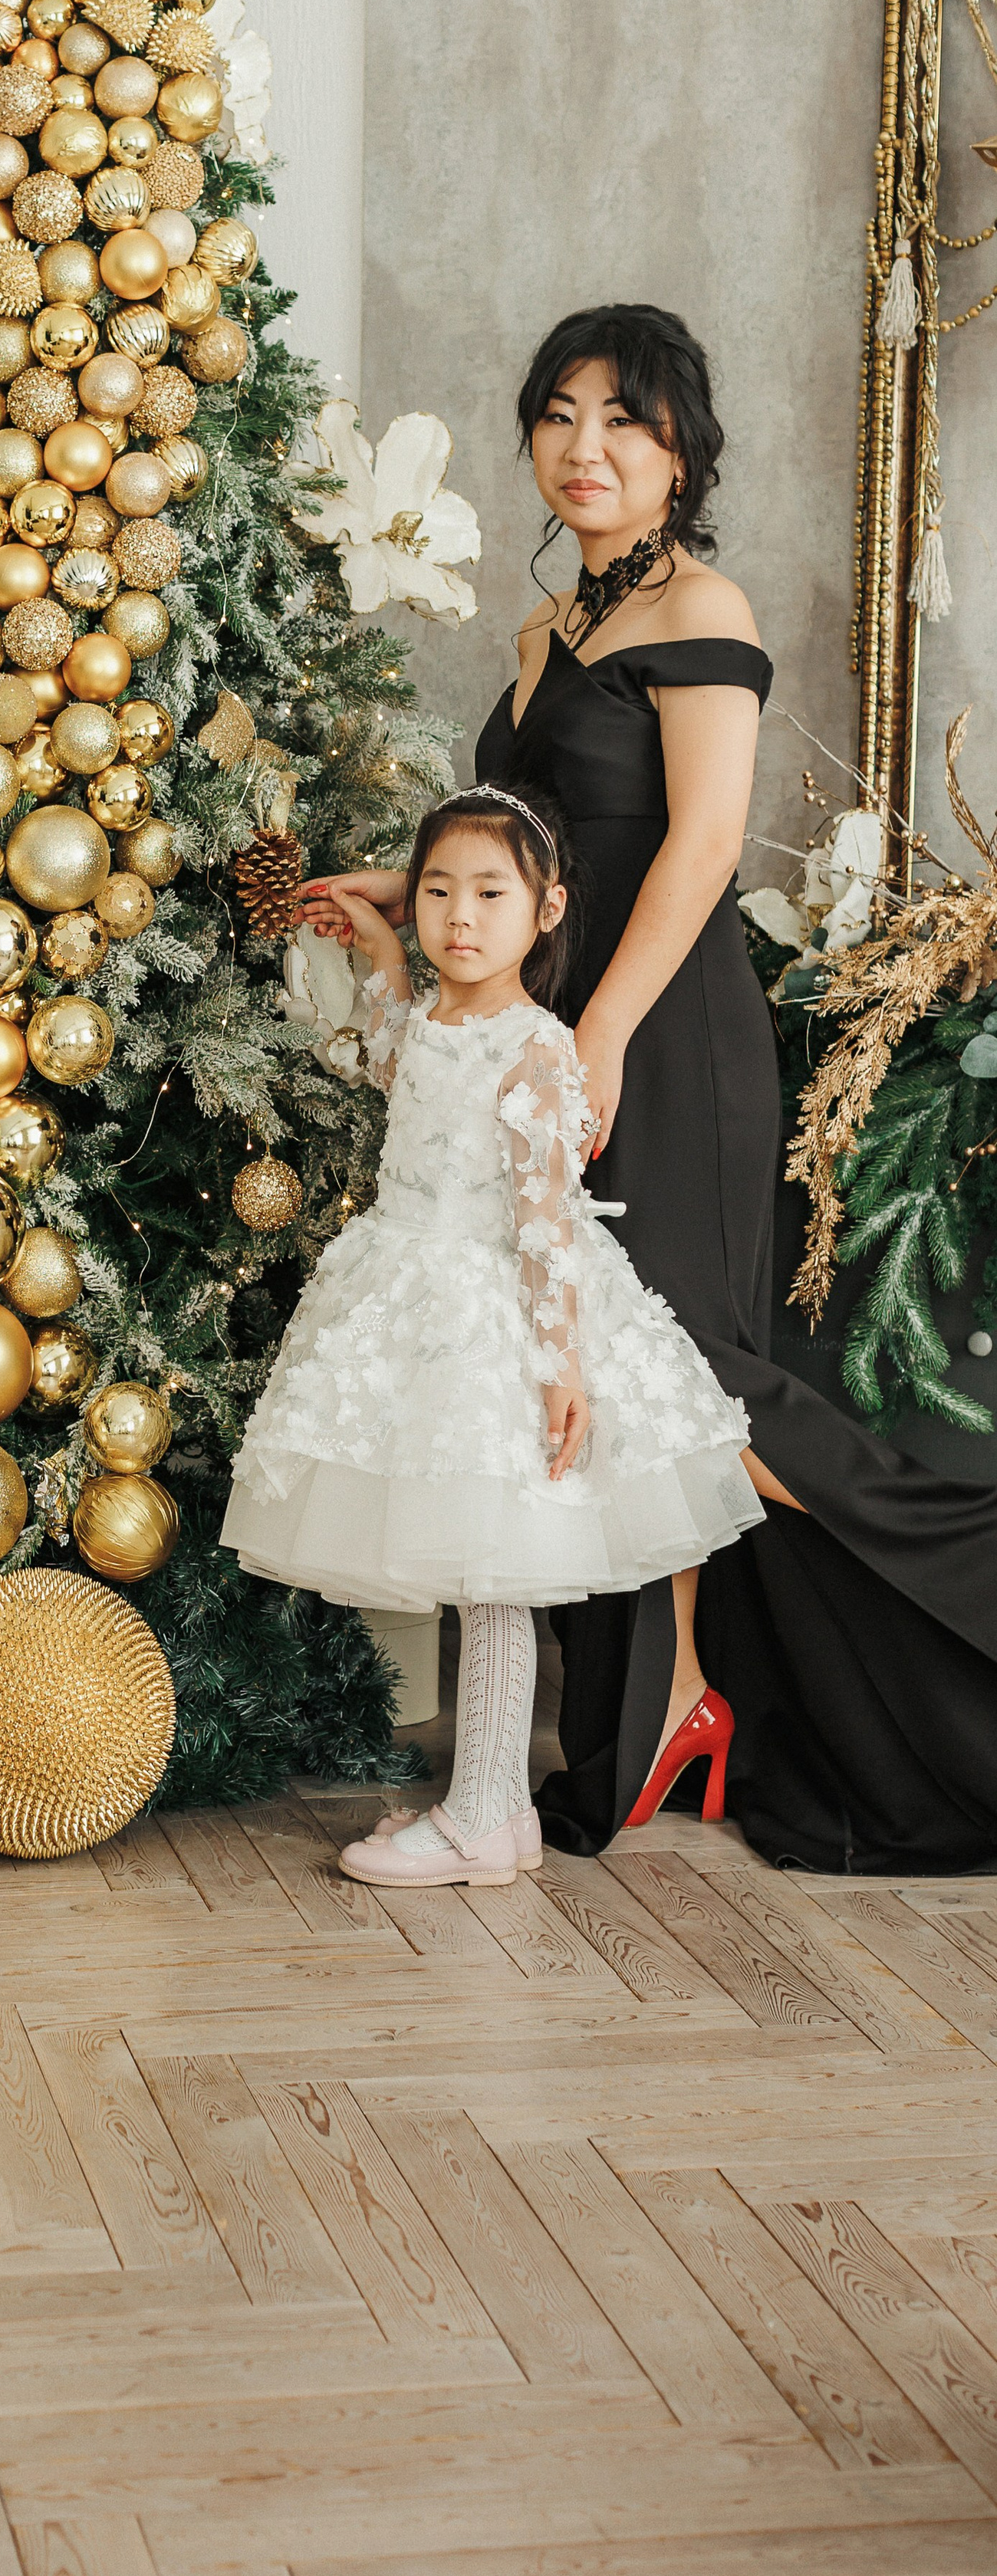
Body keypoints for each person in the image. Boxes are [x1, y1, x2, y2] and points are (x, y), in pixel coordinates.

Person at [298, 304, 997, 1872]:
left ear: (680, 446)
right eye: (555, 415)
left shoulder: (705, 609)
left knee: (688, 1387)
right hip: (564, 1043)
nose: (582, 448)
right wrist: (405, 894)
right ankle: (672, 1699)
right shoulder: (547, 632)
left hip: (666, 1046)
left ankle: (956, 1594)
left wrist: (597, 1032)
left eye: (622, 419)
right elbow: (538, 849)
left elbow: (695, 850)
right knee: (615, 1390)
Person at [223, 787, 762, 1886]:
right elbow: (383, 1055)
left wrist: (560, 1369)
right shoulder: (434, 1018)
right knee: (481, 1572)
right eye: (436, 893)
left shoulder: (539, 1050)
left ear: (546, 908)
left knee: (499, 1571)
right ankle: (498, 1812)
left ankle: (482, 1814)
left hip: (498, 1316)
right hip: (410, 1284)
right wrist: (376, 942)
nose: (460, 918)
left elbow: (549, 1223)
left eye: (489, 894)